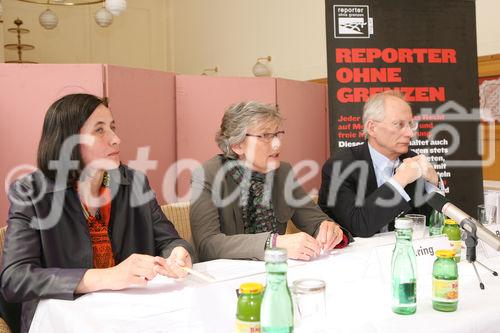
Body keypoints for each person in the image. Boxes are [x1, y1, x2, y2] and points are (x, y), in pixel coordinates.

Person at [0, 93, 196, 332]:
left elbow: (169, 240)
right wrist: (107, 277)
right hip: (64, 320)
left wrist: (178, 252)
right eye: (100, 130)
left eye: (113, 127)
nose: (116, 139)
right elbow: (15, 279)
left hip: (131, 314)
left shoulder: (134, 182)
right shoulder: (30, 192)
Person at [190, 101, 351, 262]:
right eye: (265, 136)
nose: (277, 144)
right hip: (221, 277)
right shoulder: (207, 175)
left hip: (272, 271)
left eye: (277, 134)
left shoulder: (283, 172)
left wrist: (329, 230)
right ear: (237, 146)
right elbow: (207, 245)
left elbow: (314, 220)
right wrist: (272, 243)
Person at [318, 90, 443, 238]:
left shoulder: (411, 159)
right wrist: (399, 181)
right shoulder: (341, 165)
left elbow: (431, 224)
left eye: (410, 125)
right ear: (372, 128)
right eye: (399, 124)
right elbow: (359, 226)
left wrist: (434, 182)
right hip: (353, 256)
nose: (410, 133)